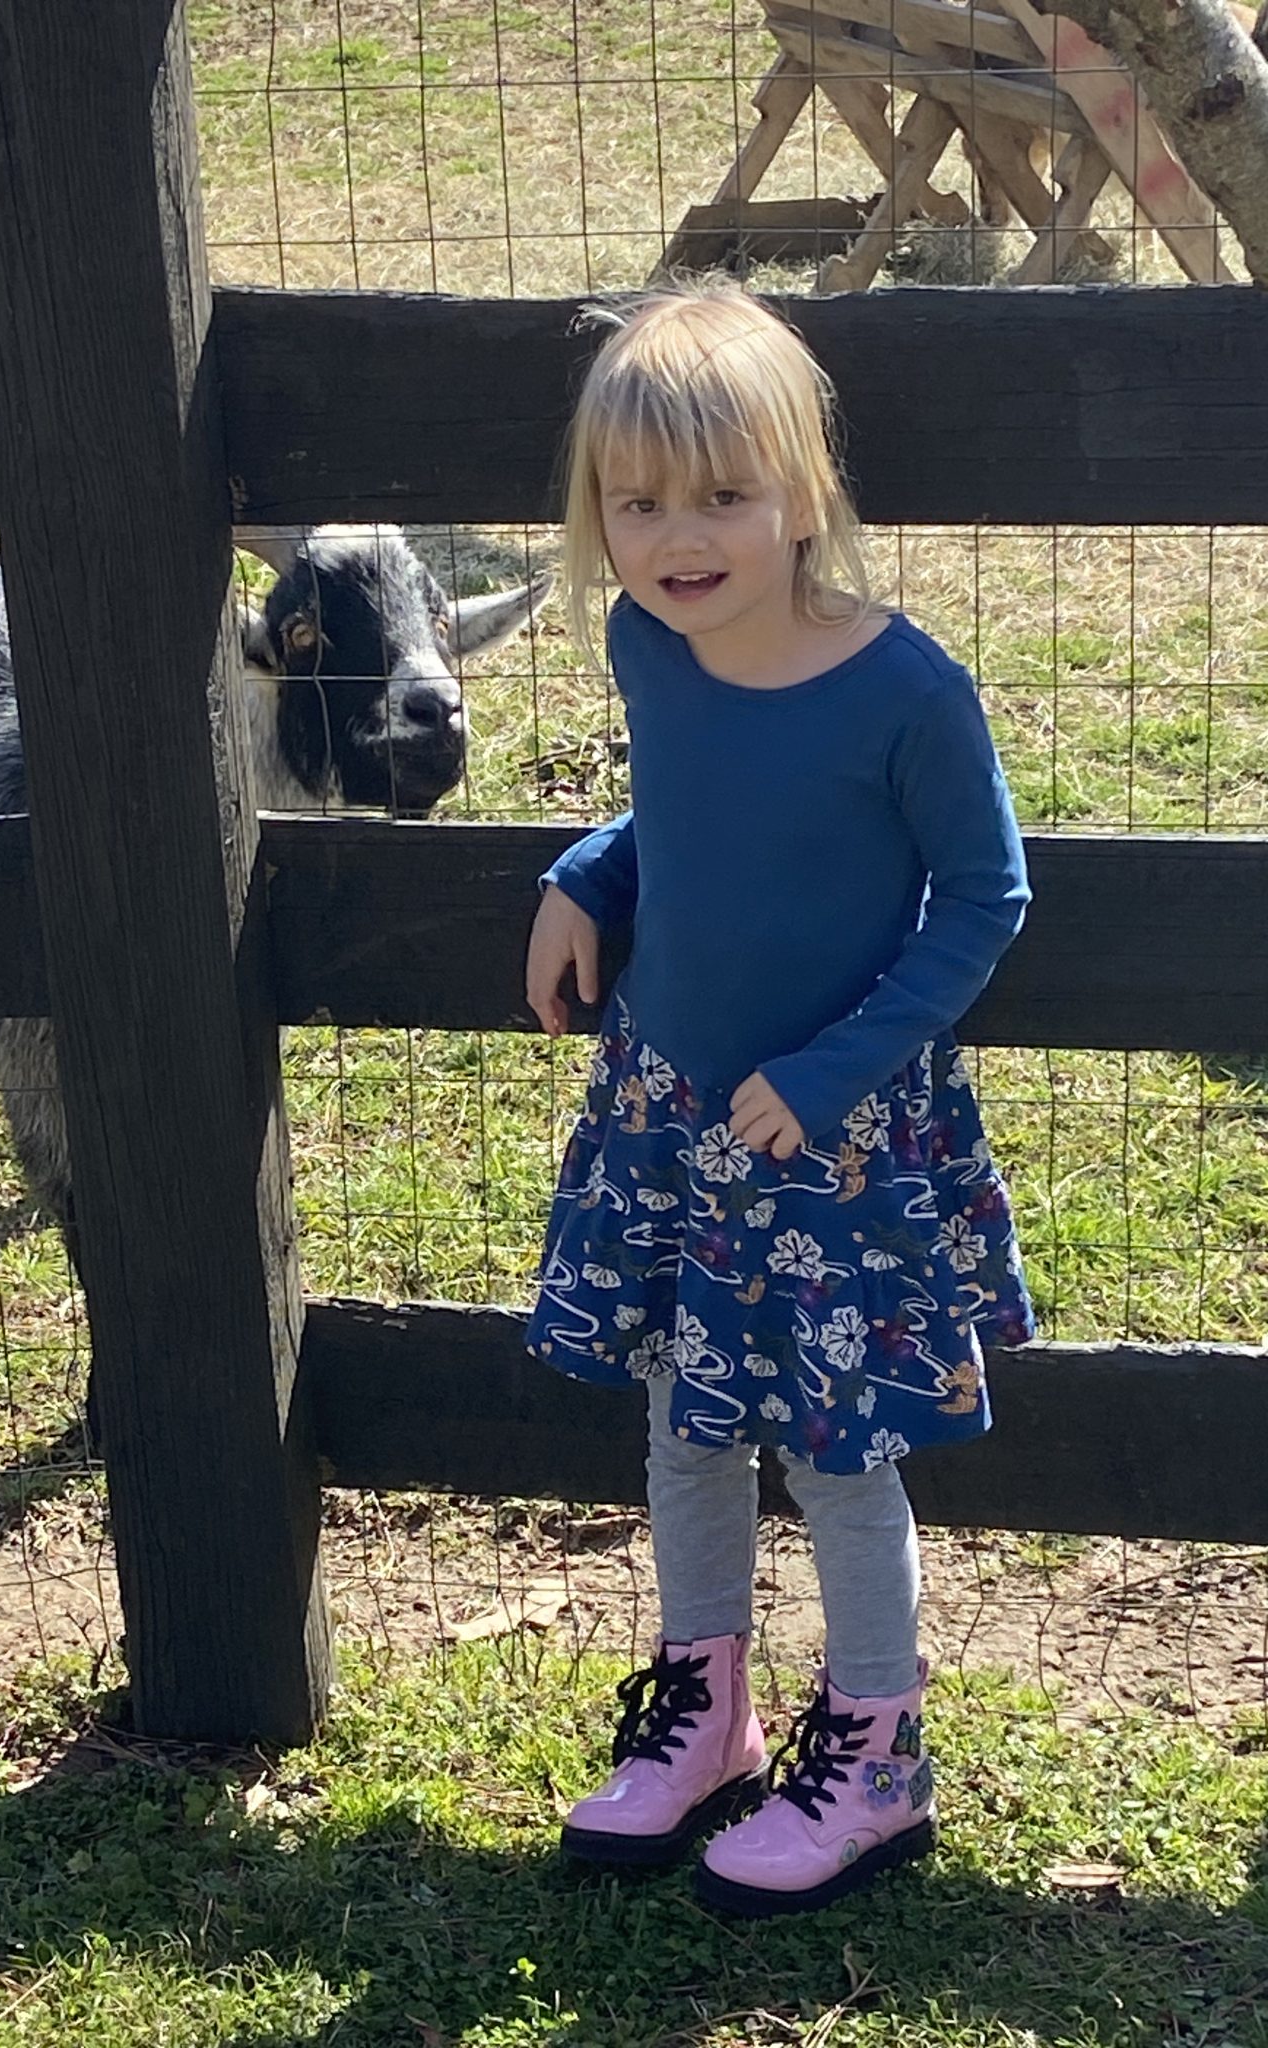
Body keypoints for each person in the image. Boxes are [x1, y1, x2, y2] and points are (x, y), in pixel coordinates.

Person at [524, 279, 1035, 1919]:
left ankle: (878, 1756)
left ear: (802, 494)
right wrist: (585, 875)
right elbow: (679, 817)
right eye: (640, 500)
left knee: (836, 1456)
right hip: (674, 1119)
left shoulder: (904, 693)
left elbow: (984, 895)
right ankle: (707, 1719)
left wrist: (826, 1075)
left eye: (723, 494)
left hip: (835, 1141)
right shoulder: (647, 643)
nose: (680, 535)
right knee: (682, 1424)